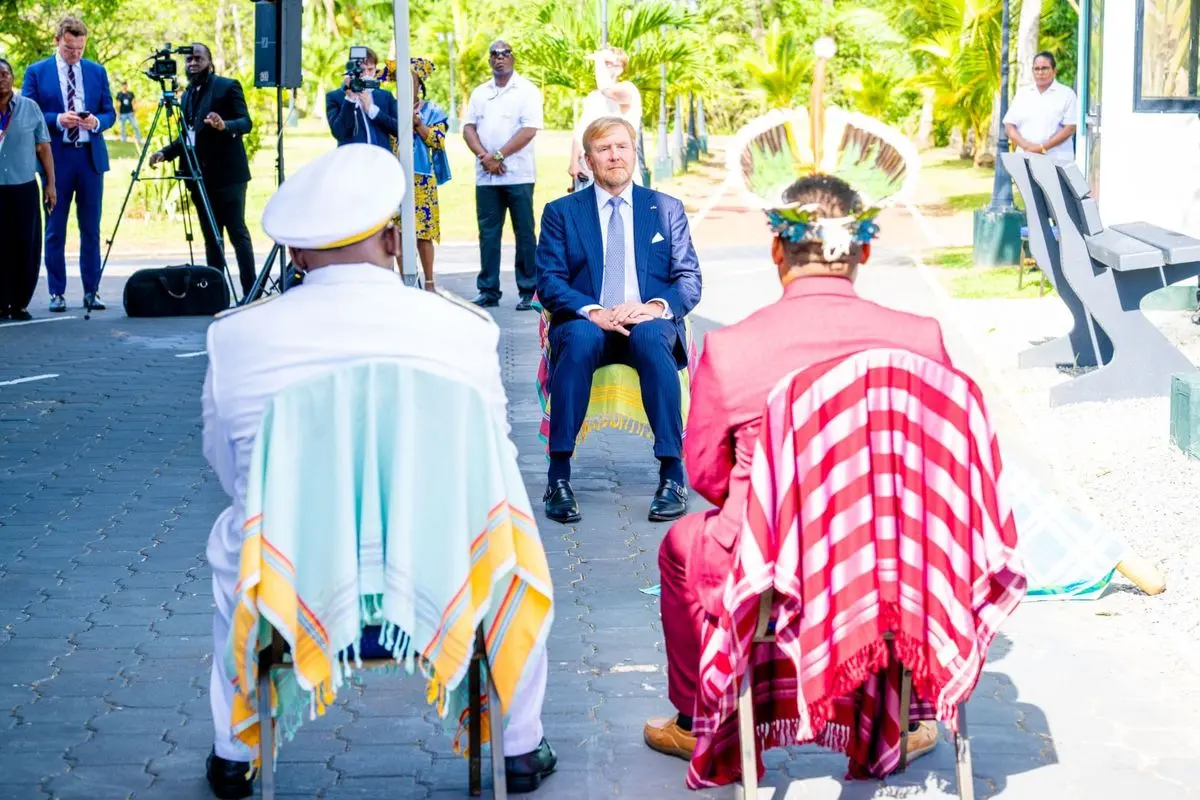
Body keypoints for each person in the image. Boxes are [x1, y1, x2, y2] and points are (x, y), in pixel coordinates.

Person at [200, 144, 556, 800]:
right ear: (395, 239)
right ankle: (518, 744)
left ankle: (235, 750)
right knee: (510, 524)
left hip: (294, 576)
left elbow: (230, 471)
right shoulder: (464, 328)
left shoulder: (235, 337)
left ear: (297, 256)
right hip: (446, 568)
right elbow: (498, 460)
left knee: (235, 540)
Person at [642, 173, 948, 764]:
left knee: (683, 543)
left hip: (771, 569)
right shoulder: (922, 338)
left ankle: (697, 715)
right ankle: (905, 717)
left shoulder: (733, 348)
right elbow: (939, 468)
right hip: (888, 564)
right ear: (863, 250)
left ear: (777, 250)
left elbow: (705, 474)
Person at [535, 116, 702, 525]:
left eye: (622, 146)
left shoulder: (664, 208)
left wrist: (654, 307)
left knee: (650, 339)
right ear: (588, 160)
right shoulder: (561, 212)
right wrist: (594, 310)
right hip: (588, 318)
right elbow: (549, 280)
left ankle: (672, 475)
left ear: (634, 152)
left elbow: (689, 279)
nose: (615, 156)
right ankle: (558, 479)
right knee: (578, 340)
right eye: (604, 149)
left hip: (646, 319)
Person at [21, 14, 115, 313]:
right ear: (57, 41)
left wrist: (97, 122)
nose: (75, 55)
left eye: (80, 49)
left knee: (91, 229)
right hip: (56, 161)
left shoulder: (97, 71)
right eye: (69, 49)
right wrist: (57, 120)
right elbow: (27, 114)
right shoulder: (37, 72)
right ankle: (57, 293)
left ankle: (91, 291)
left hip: (89, 161)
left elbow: (110, 112)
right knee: (55, 229)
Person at [149, 44, 257, 298]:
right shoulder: (186, 95)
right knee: (211, 238)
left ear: (209, 61)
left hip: (229, 177)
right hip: (199, 178)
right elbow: (188, 136)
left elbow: (245, 122)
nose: (192, 63)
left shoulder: (227, 86)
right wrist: (165, 152)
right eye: (189, 59)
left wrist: (224, 125)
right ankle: (216, 294)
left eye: (198, 58)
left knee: (237, 234)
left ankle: (251, 293)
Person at [463, 39, 543, 310]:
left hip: (518, 175)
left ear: (513, 57)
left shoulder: (527, 91)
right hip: (486, 177)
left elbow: (529, 129)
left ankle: (529, 290)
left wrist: (498, 156)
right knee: (487, 233)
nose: (499, 58)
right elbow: (468, 128)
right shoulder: (479, 93)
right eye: (494, 54)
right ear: (489, 60)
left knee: (524, 233)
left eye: (505, 53)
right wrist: (485, 157)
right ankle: (488, 290)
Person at [0, 58, 57, 321]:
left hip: (23, 186)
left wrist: (51, 184)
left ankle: (19, 302)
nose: (1, 79)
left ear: (13, 77)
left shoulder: (29, 107)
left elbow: (44, 147)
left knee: (25, 244)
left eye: (5, 74)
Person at [569, 47, 642, 192]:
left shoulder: (628, 90)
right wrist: (573, 162)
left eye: (608, 63)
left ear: (620, 68)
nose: (604, 66)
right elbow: (581, 130)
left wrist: (599, 59)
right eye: (605, 63)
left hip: (617, 164)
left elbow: (606, 89)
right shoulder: (593, 97)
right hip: (589, 167)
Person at [406, 57, 451, 292]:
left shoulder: (433, 111)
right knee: (398, 231)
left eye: (411, 80)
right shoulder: (391, 107)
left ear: (419, 83)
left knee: (423, 232)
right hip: (397, 177)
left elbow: (437, 141)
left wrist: (417, 124)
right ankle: (407, 281)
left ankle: (430, 282)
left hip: (422, 178)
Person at [1002, 51, 1078, 164]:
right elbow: (1009, 126)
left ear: (1054, 71)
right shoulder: (1023, 93)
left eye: (1045, 68)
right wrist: (1027, 147)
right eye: (1036, 69)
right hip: (1025, 158)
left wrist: (1042, 148)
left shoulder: (1066, 94)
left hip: (1056, 160)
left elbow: (1070, 128)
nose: (1040, 72)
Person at [325, 47, 399, 151]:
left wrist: (373, 111)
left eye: (370, 69)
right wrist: (350, 100)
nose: (366, 74)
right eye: (362, 70)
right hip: (352, 161)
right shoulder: (335, 97)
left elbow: (398, 129)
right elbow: (339, 133)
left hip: (381, 160)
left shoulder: (385, 96)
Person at [115, 80, 141, 146]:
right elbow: (117, 104)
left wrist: (134, 111)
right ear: (122, 86)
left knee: (135, 126)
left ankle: (139, 140)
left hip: (130, 113)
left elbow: (134, 102)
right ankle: (123, 139)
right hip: (122, 113)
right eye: (123, 85)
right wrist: (118, 113)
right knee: (122, 127)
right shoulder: (119, 94)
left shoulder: (130, 93)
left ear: (127, 85)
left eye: (125, 85)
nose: (124, 86)